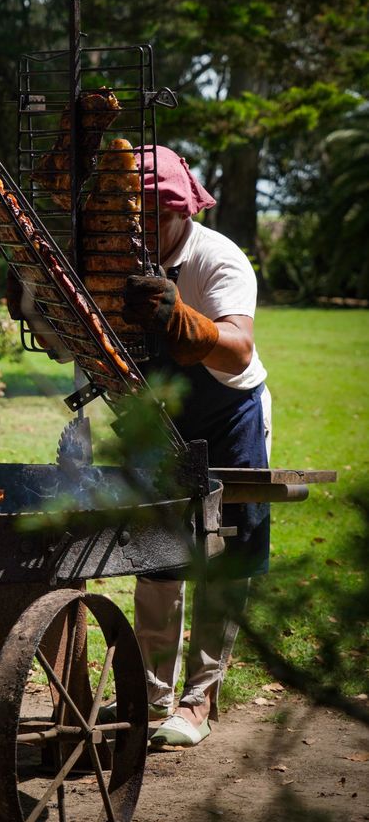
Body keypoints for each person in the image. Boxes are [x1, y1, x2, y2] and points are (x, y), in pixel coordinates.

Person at [117, 144, 271, 749]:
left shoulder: (218, 258)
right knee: (158, 556)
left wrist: (183, 319)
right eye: (135, 216)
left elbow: (238, 348)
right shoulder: (112, 256)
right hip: (155, 415)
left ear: (187, 210)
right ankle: (153, 696)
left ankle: (200, 696)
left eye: (159, 215)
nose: (145, 229)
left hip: (228, 411)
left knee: (225, 556)